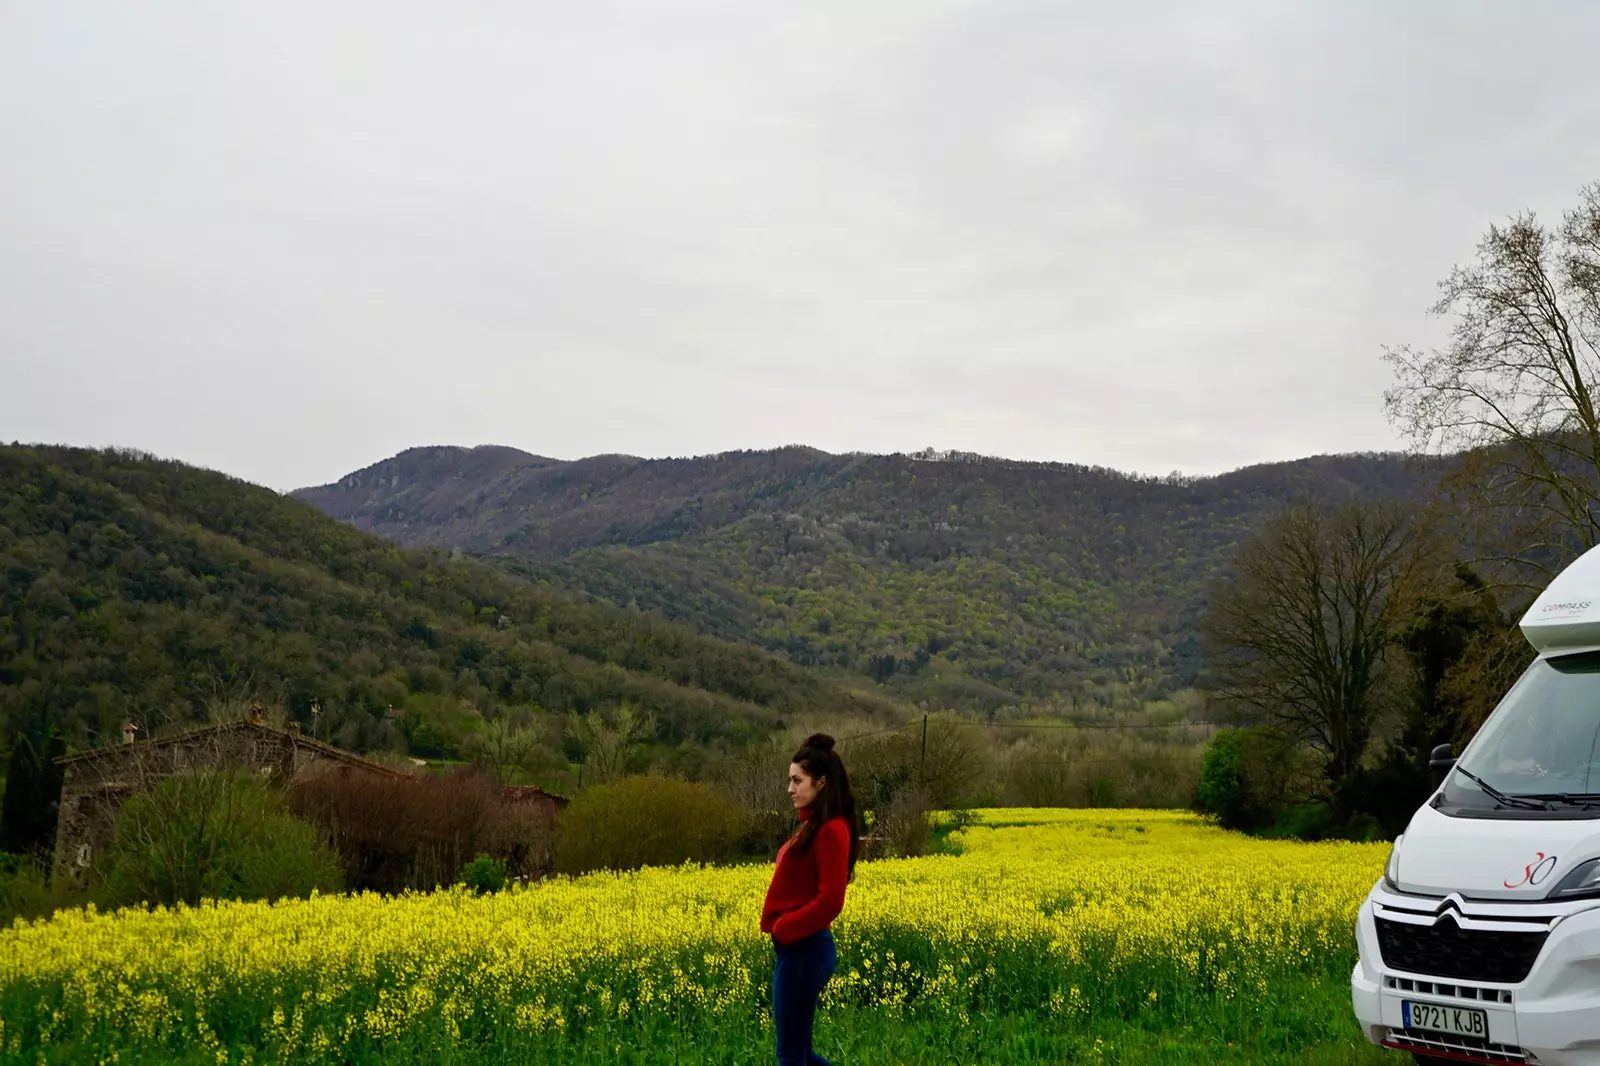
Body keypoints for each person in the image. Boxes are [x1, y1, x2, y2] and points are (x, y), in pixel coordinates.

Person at [760, 733, 861, 1066]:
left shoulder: (831, 829)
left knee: (790, 1055)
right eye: (790, 780)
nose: (790, 789)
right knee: (800, 1053)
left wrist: (785, 928)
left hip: (804, 950)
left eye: (797, 780)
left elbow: (831, 900)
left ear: (820, 783)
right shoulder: (814, 826)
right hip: (799, 950)